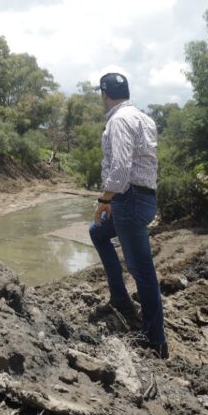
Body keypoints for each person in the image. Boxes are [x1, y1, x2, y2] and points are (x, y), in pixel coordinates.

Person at [88, 72, 167, 358]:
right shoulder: (144, 118)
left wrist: (103, 200)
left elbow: (120, 170)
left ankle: (155, 340)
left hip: (129, 200)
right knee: (97, 232)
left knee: (142, 270)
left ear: (104, 94)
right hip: (141, 198)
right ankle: (120, 299)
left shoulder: (119, 120)